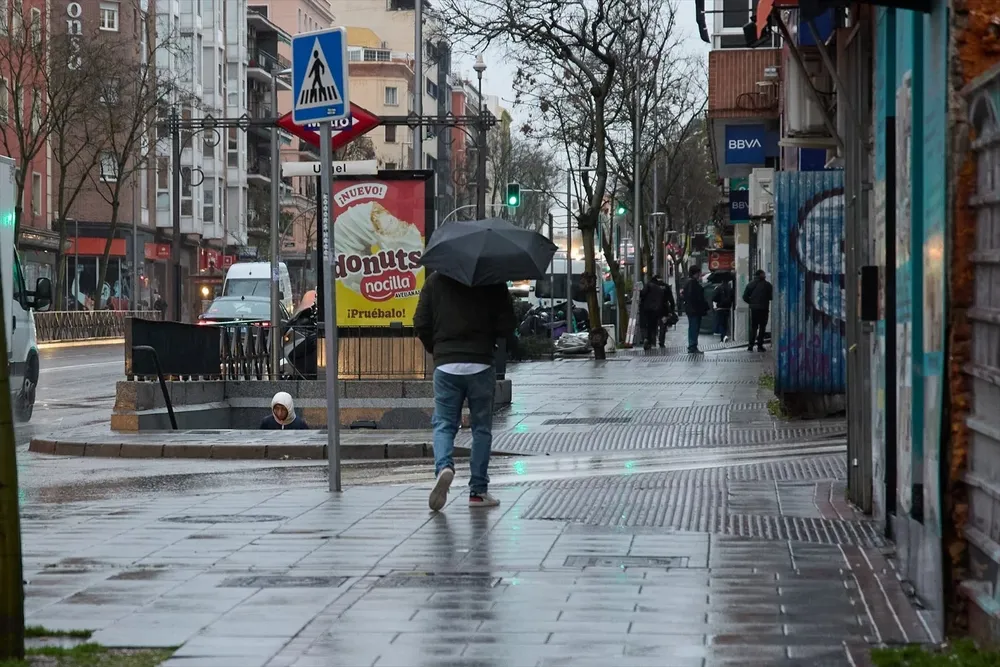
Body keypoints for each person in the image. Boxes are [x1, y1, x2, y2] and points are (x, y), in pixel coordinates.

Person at [414, 272, 516, 511]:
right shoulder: (492, 280)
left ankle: (444, 467)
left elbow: (420, 321)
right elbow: (507, 324)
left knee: (444, 424)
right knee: (481, 429)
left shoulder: (435, 282)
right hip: (480, 364)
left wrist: (438, 349)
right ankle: (478, 491)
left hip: (447, 365)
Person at [743, 269, 773, 352]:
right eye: (764, 274)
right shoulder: (767, 285)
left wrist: (751, 302)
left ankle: (750, 345)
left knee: (754, 327)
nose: (765, 275)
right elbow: (771, 297)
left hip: (754, 309)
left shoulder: (750, 284)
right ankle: (760, 346)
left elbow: (744, 296)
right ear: (761, 275)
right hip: (764, 308)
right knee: (762, 327)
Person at [638, 274, 669, 350]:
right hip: (656, 310)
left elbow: (642, 294)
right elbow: (664, 300)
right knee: (653, 326)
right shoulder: (660, 289)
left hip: (646, 309)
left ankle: (647, 340)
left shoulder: (648, 285)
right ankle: (653, 342)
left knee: (646, 325)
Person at [682, 266, 709, 354]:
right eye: (699, 273)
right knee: (694, 327)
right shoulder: (692, 283)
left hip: (692, 309)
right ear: (696, 273)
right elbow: (693, 297)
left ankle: (693, 345)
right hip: (694, 310)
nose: (700, 274)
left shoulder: (689, 283)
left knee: (693, 327)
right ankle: (692, 346)